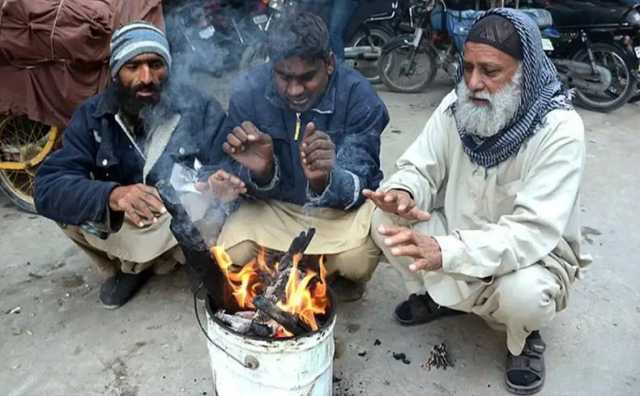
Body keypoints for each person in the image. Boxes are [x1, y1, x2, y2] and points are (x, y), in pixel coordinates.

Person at [366, 9, 590, 395]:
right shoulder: (457, 106)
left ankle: (523, 339)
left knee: (525, 296)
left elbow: (530, 232)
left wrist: (445, 251)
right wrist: (403, 192)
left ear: (525, 71)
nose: (473, 82)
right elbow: (421, 166)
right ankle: (442, 297)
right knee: (383, 221)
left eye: (490, 71)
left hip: (529, 257)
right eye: (468, 67)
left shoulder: (559, 130)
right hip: (455, 238)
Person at [34, 21, 226, 309]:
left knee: (216, 209)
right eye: (133, 66)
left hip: (181, 216)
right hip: (128, 222)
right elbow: (47, 186)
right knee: (70, 207)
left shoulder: (200, 108)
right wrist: (112, 196)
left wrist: (214, 182)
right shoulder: (92, 117)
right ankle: (129, 268)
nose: (146, 77)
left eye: (155, 64)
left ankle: (195, 262)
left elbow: (229, 165)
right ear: (116, 72)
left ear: (168, 68)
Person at [204, 11, 389, 302]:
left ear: (329, 63)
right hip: (275, 206)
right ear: (271, 65)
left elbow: (362, 181)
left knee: (357, 260)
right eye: (284, 77)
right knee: (231, 251)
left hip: (336, 214)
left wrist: (326, 180)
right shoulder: (247, 93)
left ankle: (312, 270)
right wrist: (262, 172)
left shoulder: (359, 96)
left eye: (306, 77)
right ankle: (298, 268)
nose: (294, 90)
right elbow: (231, 170)